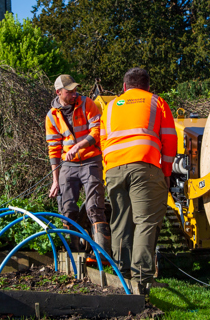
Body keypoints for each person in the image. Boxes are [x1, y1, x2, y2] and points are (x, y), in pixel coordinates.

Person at [100, 67, 176, 290]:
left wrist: (110, 167)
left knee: (120, 221)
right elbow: (170, 140)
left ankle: (120, 276)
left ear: (124, 87)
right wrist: (167, 172)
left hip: (113, 168)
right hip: (145, 166)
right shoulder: (156, 102)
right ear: (148, 86)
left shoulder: (111, 106)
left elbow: (103, 140)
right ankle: (141, 280)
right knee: (145, 222)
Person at [46, 74, 111, 254]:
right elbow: (53, 149)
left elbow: (97, 131)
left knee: (95, 207)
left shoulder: (87, 103)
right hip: (68, 166)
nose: (75, 93)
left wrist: (79, 146)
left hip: (91, 160)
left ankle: (103, 256)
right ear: (58, 92)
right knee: (67, 209)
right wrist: (55, 180)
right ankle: (74, 256)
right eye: (70, 91)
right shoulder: (51, 116)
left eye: (75, 89)